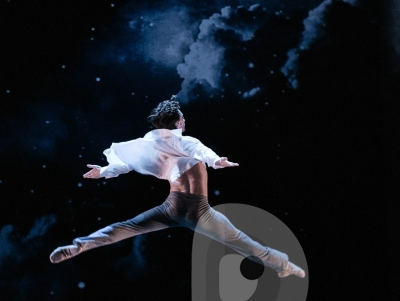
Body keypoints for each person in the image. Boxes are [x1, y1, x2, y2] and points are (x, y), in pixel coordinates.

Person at [49, 96, 305, 278]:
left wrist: (104, 171)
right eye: (183, 117)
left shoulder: (161, 145)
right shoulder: (183, 142)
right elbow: (198, 150)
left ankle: (80, 245)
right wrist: (217, 160)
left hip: (172, 207)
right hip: (199, 212)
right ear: (178, 122)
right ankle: (284, 266)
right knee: (243, 242)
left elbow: (128, 162)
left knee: (125, 227)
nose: (185, 120)